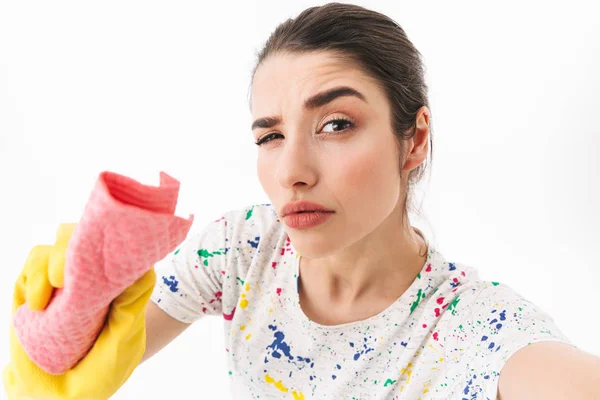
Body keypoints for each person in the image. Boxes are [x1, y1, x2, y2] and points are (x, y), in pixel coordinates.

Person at [6, 2, 600, 400]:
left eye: (336, 124)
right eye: (270, 136)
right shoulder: (244, 252)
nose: (291, 171)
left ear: (414, 139)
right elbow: (87, 364)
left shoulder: (477, 330)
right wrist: (78, 301)